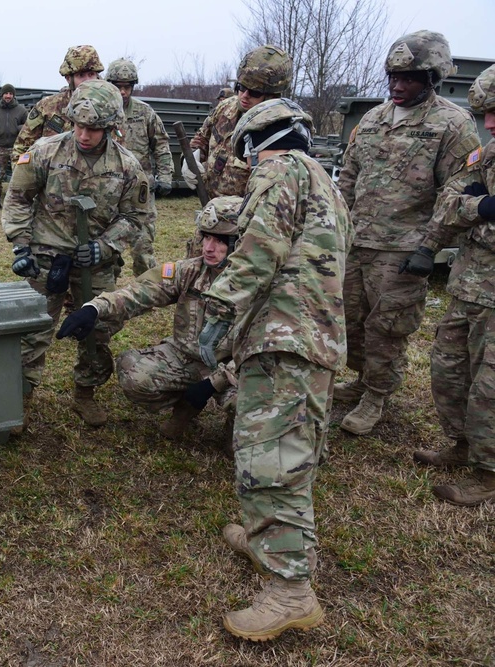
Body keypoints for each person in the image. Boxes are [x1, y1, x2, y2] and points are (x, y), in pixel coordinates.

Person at [199, 98, 352, 641]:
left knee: (272, 461)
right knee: (293, 452)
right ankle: (267, 541)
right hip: (313, 338)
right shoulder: (325, 182)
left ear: (252, 143)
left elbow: (260, 249)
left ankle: (291, 592)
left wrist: (218, 312)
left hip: (285, 341)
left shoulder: (278, 171)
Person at [335, 30, 482, 435]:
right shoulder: (372, 118)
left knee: (388, 326)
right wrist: (335, 225)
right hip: (356, 241)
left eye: (410, 78)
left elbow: (456, 192)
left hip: (403, 249)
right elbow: (348, 177)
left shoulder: (452, 125)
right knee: (351, 319)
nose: (398, 86)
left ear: (432, 78)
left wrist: (429, 247)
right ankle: (362, 378)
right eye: (393, 77)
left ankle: (377, 395)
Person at [3, 80, 154, 427]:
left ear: (111, 126)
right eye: (79, 126)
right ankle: (19, 398)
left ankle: (85, 393)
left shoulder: (129, 167)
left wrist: (105, 245)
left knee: (97, 329)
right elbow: (17, 200)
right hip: (46, 256)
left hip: (95, 261)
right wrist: (21, 245)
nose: (84, 135)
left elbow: (135, 217)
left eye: (94, 129)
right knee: (33, 328)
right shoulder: (44, 152)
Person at [58, 197, 240, 441]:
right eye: (206, 237)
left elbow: (264, 351)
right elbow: (141, 292)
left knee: (258, 399)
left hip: (236, 368)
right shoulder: (191, 270)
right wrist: (94, 308)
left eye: (220, 241)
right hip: (187, 358)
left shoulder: (263, 286)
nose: (209, 247)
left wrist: (213, 384)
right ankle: (186, 406)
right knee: (136, 376)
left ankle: (236, 432)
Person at [412, 64, 495, 506]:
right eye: (484, 114)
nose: (489, 124)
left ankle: (488, 471)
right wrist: (482, 208)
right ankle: (462, 445)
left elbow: (461, 209)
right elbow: (449, 201)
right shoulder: (489, 153)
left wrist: (471, 211)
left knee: (490, 385)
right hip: (468, 285)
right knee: (448, 367)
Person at [189, 45, 293, 198]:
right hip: (211, 210)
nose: (244, 95)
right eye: (241, 87)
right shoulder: (225, 108)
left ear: (272, 96)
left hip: (248, 216)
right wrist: (190, 159)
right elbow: (202, 138)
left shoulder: (281, 130)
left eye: (254, 92)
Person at [105, 58, 173, 275]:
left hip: (140, 190)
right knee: (108, 246)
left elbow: (161, 145)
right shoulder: (102, 113)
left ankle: (146, 291)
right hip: (109, 188)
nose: (123, 92)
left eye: (127, 87)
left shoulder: (145, 113)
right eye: (118, 87)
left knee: (143, 245)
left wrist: (165, 177)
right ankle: (107, 292)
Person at [11, 45, 104, 163]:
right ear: (68, 79)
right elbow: (21, 148)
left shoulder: (108, 110)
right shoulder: (47, 107)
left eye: (91, 74)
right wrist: (25, 177)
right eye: (81, 75)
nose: (87, 81)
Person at [0, 84, 27, 210]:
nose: (8, 96)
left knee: (19, 175)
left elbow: (28, 126)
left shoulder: (21, 110)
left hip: (17, 147)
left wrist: (18, 128)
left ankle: (18, 201)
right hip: (0, 147)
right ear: (2, 95)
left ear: (13, 95)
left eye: (10, 93)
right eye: (6, 93)